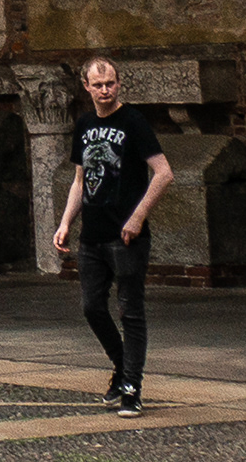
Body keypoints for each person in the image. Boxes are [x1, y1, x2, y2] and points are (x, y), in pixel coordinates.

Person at [50, 52, 173, 418]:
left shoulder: (133, 122)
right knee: (92, 307)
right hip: (92, 235)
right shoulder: (85, 124)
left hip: (126, 237)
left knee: (130, 311)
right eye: (98, 85)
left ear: (119, 84)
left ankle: (132, 388)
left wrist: (137, 218)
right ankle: (121, 367)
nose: (105, 90)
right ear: (86, 87)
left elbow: (164, 173)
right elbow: (79, 180)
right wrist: (66, 222)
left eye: (111, 83)